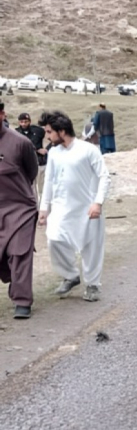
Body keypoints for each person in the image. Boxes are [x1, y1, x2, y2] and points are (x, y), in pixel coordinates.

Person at [38, 111, 110, 302]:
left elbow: (104, 176)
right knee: (54, 239)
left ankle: (93, 285)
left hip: (88, 208)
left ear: (62, 131)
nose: (47, 136)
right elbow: (49, 181)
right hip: (61, 208)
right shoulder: (54, 153)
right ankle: (70, 275)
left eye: (49, 132)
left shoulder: (88, 150)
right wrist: (44, 208)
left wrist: (98, 202)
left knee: (91, 248)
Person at [0, 104, 39, 319]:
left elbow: (31, 172)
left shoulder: (20, 143)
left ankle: (22, 300)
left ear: (2, 114)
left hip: (20, 208)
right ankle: (15, 281)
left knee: (19, 253)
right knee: (6, 258)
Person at [14, 112, 47, 200]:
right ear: (19, 122)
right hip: (26, 165)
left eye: (26, 121)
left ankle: (43, 205)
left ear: (30, 121)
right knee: (31, 189)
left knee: (42, 188)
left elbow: (50, 135)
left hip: (40, 162)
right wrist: (37, 150)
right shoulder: (16, 133)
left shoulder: (38, 130)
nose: (24, 124)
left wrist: (47, 149)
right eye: (22, 122)